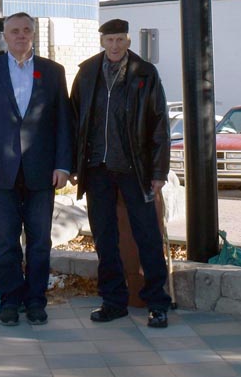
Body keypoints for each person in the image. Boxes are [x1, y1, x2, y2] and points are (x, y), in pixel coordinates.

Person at [0, 11, 73, 326]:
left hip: (42, 172)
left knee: (40, 241)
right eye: (15, 31)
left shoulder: (53, 72)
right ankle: (10, 300)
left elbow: (64, 123)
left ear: (34, 34)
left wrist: (63, 165)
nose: (21, 35)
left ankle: (36, 301)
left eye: (27, 30)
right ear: (5, 36)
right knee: (6, 242)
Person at [70, 18, 173, 329]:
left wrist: (158, 171)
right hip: (96, 168)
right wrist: (75, 165)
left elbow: (159, 126)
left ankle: (157, 303)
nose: (114, 45)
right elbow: (74, 120)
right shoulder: (87, 72)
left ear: (128, 42)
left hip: (135, 168)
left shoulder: (145, 74)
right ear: (102, 41)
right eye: (109, 40)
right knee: (104, 238)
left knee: (148, 237)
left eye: (120, 40)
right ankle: (113, 301)